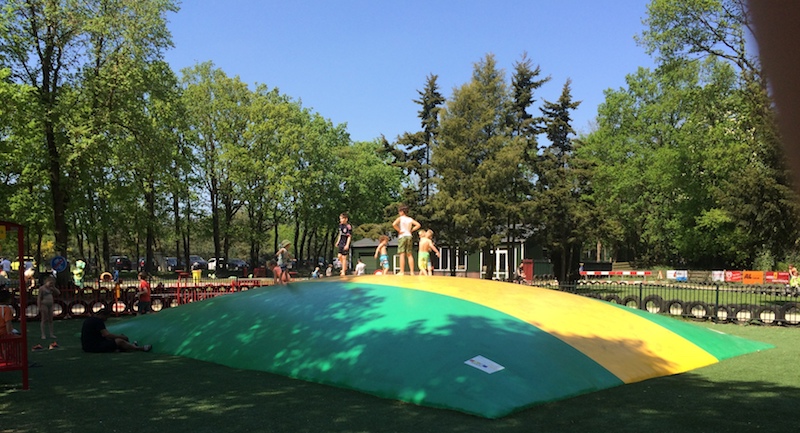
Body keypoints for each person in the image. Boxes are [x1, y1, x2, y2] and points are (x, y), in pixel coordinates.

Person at [81, 308, 151, 353]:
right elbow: (106, 334)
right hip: (93, 347)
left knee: (113, 341)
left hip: (87, 346)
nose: (106, 320)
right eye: (106, 317)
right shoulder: (98, 321)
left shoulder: (90, 319)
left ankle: (127, 346)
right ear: (102, 315)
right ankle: (140, 348)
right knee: (119, 341)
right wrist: (121, 337)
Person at [392, 204, 421, 275]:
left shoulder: (400, 218)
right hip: (409, 235)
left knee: (402, 254)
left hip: (402, 236)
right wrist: (411, 230)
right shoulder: (410, 219)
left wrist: (399, 230)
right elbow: (418, 225)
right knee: (409, 254)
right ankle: (412, 272)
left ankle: (402, 271)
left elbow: (394, 224)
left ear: (402, 212)